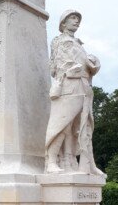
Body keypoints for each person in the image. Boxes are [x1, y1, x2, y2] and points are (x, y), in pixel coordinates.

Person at [45, 10, 104, 175]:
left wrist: (94, 64)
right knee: (62, 124)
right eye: (73, 18)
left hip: (83, 85)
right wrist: (78, 66)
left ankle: (86, 164)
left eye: (78, 19)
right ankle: (51, 161)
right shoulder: (58, 42)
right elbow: (54, 68)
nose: (76, 21)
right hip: (68, 85)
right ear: (63, 23)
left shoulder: (78, 43)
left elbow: (85, 65)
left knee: (83, 127)